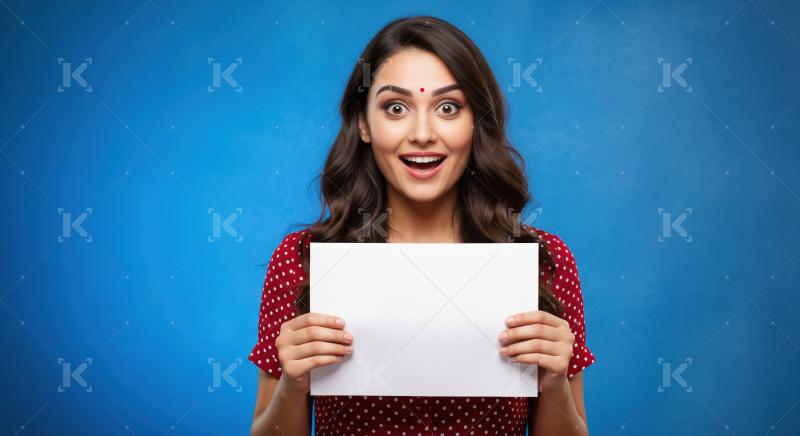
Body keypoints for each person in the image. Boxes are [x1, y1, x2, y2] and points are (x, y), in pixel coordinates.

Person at [248, 15, 596, 436]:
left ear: (476, 123)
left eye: (448, 108)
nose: (423, 133)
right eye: (396, 108)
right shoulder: (301, 261)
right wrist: (293, 384)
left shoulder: (544, 262)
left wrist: (554, 382)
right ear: (363, 123)